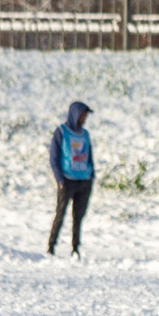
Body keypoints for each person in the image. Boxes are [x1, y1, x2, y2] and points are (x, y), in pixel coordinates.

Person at [47, 101, 94, 258]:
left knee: (78, 217)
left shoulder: (85, 134)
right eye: (82, 114)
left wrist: (91, 175)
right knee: (60, 214)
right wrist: (59, 178)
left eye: (85, 115)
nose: (84, 117)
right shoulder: (61, 132)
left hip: (84, 180)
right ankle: (51, 246)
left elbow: (89, 156)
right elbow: (54, 157)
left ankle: (75, 248)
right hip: (66, 180)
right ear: (75, 114)